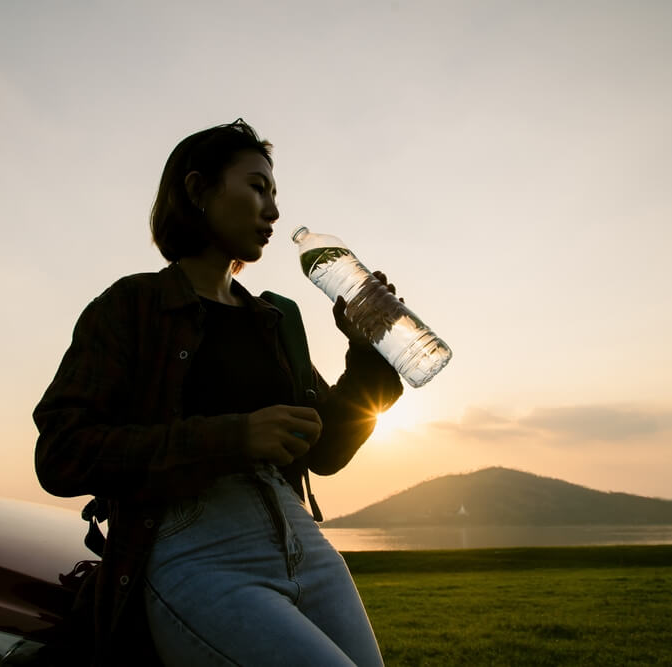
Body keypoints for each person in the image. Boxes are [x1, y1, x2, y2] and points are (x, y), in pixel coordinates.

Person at [34, 119, 403, 666]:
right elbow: (63, 453)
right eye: (257, 187)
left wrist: (368, 353)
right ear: (197, 189)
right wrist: (234, 437)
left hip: (309, 548)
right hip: (199, 552)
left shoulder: (274, 320)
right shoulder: (132, 306)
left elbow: (324, 452)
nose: (273, 211)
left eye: (274, 192)